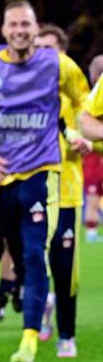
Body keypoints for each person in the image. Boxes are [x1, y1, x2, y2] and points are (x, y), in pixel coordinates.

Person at [0, 1, 89, 362]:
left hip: (44, 173)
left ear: (35, 27)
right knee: (14, 255)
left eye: (26, 24)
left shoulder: (58, 64)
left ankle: (30, 339)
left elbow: (84, 102)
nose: (20, 31)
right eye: (13, 24)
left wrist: (81, 132)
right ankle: (37, 307)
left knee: (34, 254)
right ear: (3, 30)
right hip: (1, 178)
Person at [32, 25, 82, 357]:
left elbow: (92, 137)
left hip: (66, 192)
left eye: (50, 49)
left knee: (66, 270)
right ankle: (41, 306)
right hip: (34, 188)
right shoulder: (26, 96)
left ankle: (67, 334)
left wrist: (82, 140)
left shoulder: (76, 99)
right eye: (39, 49)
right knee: (33, 259)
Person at [83, 55, 103, 242]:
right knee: (93, 197)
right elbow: (84, 123)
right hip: (93, 159)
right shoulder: (90, 100)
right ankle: (91, 233)